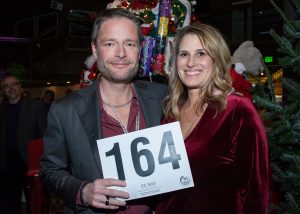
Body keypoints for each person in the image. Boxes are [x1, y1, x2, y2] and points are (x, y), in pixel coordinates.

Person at [40, 8, 168, 214]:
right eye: (110, 43)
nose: (121, 53)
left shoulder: (163, 97)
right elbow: (50, 170)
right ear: (94, 49)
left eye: (130, 44)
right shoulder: (65, 110)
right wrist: (83, 192)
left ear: (140, 49)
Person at [155, 23, 269, 214]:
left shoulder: (237, 110)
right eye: (184, 54)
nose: (191, 62)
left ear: (216, 60)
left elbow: (255, 191)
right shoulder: (171, 112)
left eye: (201, 53)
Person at [0, 74, 47, 214]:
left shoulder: (35, 105)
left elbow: (44, 132)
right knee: (11, 200)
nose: (11, 88)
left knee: (34, 200)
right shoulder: (1, 110)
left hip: (30, 161)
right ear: (3, 91)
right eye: (6, 86)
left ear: (20, 87)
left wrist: (40, 158)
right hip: (7, 162)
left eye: (13, 84)